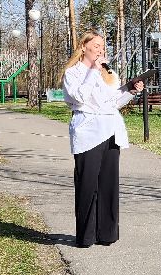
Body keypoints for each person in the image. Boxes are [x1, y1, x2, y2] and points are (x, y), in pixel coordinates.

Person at [62, 31, 145, 248]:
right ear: (83, 47)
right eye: (96, 45)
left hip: (111, 131)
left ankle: (106, 233)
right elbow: (79, 97)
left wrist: (130, 90)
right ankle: (86, 236)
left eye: (102, 46)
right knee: (87, 184)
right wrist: (93, 70)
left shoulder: (109, 74)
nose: (101, 49)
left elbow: (114, 103)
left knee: (109, 184)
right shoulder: (73, 73)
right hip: (88, 133)